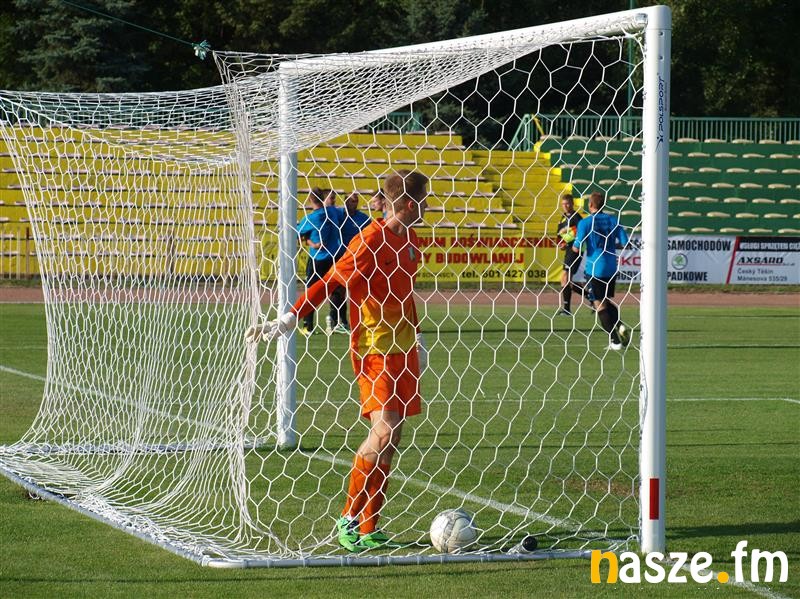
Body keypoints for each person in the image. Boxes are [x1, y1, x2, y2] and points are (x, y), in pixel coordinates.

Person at [246, 170, 429, 552]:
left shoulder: (412, 240)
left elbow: (405, 292)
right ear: (409, 203)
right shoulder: (369, 240)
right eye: (424, 198)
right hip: (375, 349)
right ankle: (347, 518)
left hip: (404, 349)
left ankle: (369, 527)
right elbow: (329, 281)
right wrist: (289, 318)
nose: (428, 205)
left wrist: (418, 336)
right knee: (383, 432)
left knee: (393, 437)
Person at [571, 191, 631, 350]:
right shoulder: (613, 220)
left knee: (600, 305)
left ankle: (615, 341)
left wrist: (572, 242)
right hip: (611, 267)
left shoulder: (585, 222)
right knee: (605, 300)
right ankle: (620, 325)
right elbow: (625, 243)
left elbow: (576, 248)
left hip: (595, 268)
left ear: (590, 204)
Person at [296, 188, 344, 335]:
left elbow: (297, 234)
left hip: (318, 259)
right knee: (336, 290)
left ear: (310, 199)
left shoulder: (310, 219)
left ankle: (308, 326)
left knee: (311, 292)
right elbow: (343, 213)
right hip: (334, 257)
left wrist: (311, 243)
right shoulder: (333, 212)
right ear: (323, 199)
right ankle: (335, 322)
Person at [329, 192, 373, 333]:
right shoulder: (337, 215)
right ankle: (334, 320)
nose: (355, 203)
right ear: (346, 201)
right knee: (338, 291)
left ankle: (353, 321)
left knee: (357, 291)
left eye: (356, 201)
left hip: (358, 259)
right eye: (352, 201)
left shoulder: (363, 219)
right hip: (341, 258)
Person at [554, 193, 585, 316]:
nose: (565, 206)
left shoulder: (576, 217)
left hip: (575, 249)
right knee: (566, 280)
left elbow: (582, 231)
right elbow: (559, 234)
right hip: (568, 250)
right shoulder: (563, 217)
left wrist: (568, 232)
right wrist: (561, 244)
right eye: (563, 204)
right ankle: (591, 297)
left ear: (572, 204)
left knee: (565, 277)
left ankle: (567, 309)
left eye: (567, 204)